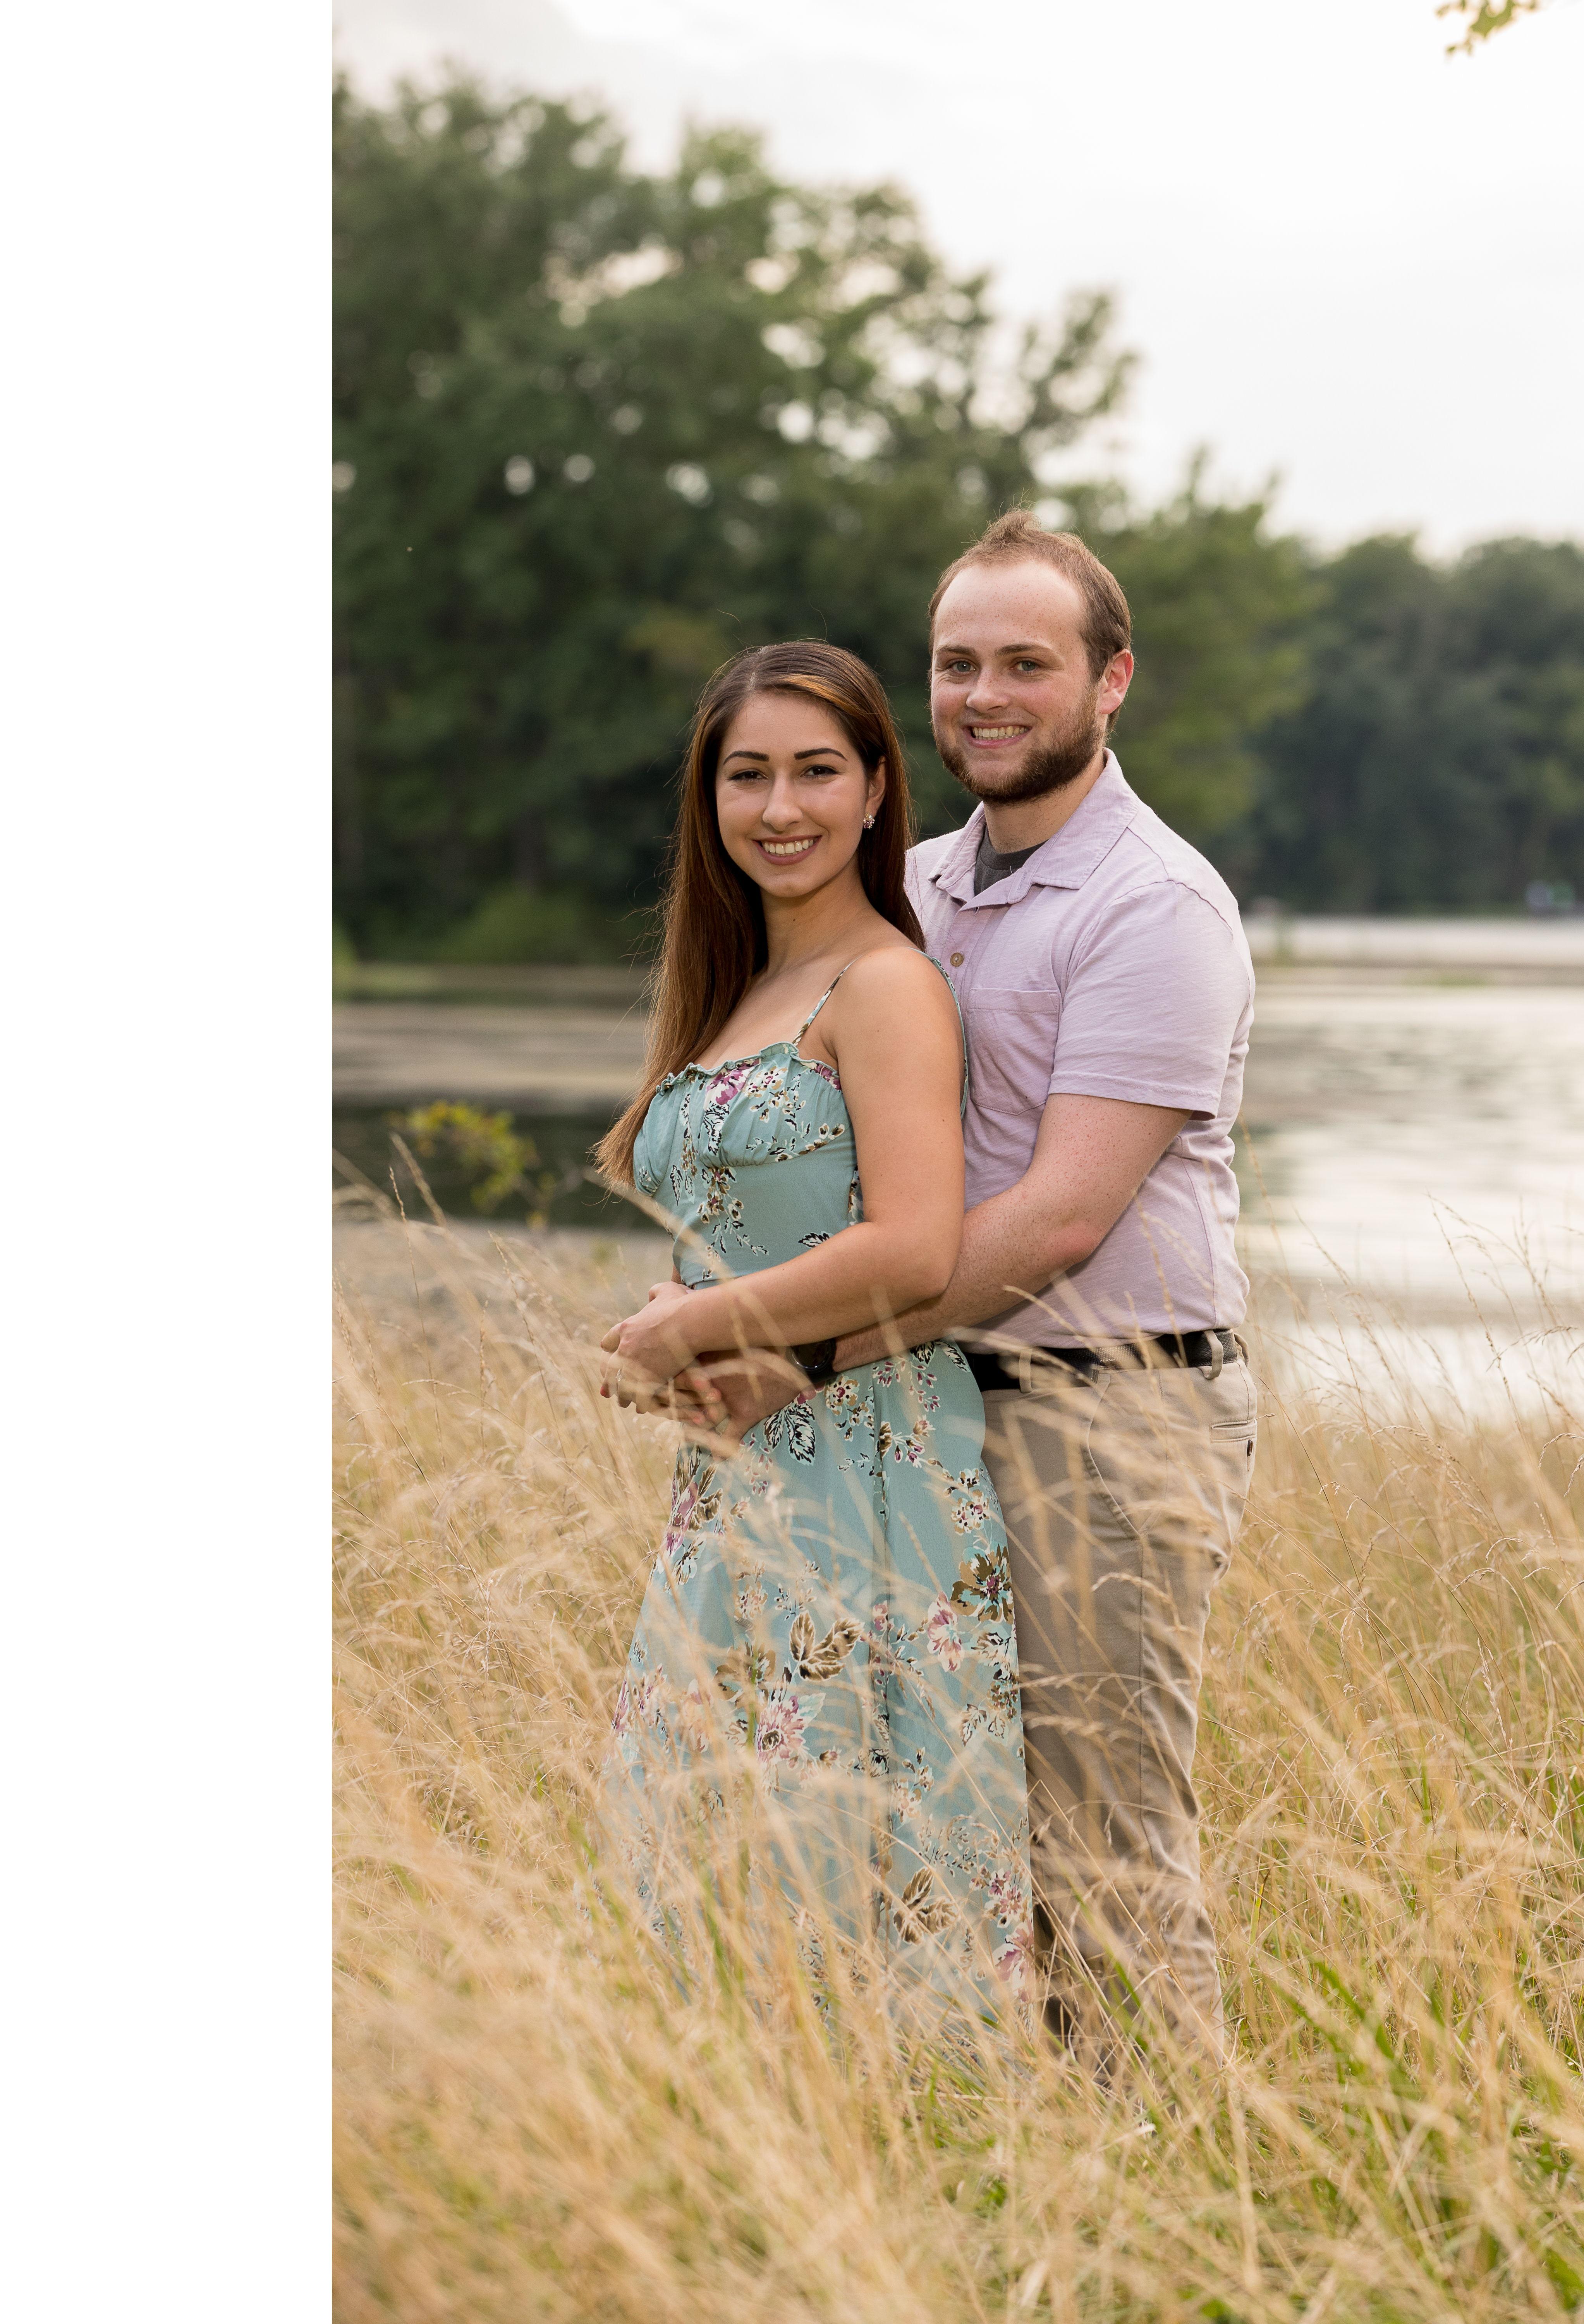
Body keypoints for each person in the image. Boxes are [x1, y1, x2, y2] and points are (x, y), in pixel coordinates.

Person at [716, 512, 1258, 2063]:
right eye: (958, 665)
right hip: (929, 1407)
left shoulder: (1155, 906)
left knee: (1103, 1840)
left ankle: (1186, 2175)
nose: (985, 695)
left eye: (1028, 663)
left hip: (1109, 1411)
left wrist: (797, 1349)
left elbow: (1059, 1221)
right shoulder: (915, 887)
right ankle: (1010, 2161)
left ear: (1112, 680)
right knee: (943, 1824)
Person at [594, 639, 1033, 2030]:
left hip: (868, 1461)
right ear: (709, 798)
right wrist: (679, 1347)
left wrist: (691, 1323)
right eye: (748, 775)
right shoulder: (733, 989)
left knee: (852, 1840)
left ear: (876, 789)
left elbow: (915, 1246)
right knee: (702, 1833)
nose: (780, 808)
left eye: (816, 772)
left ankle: (911, 2139)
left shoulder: (886, 985)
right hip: (739, 1476)